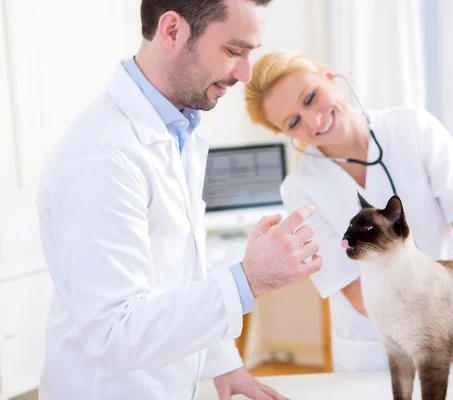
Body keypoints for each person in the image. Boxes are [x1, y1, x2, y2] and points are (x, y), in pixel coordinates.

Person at [36, 3, 322, 400]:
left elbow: (183, 267)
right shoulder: (102, 157)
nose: (245, 73)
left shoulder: (175, 127)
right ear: (171, 31)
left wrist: (225, 363)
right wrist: (249, 278)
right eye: (234, 51)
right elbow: (114, 332)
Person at [244, 50, 453, 372]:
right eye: (293, 122)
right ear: (286, 134)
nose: (315, 120)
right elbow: (356, 294)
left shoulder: (413, 128)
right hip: (376, 348)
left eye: (311, 97)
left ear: (330, 78)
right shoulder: (300, 189)